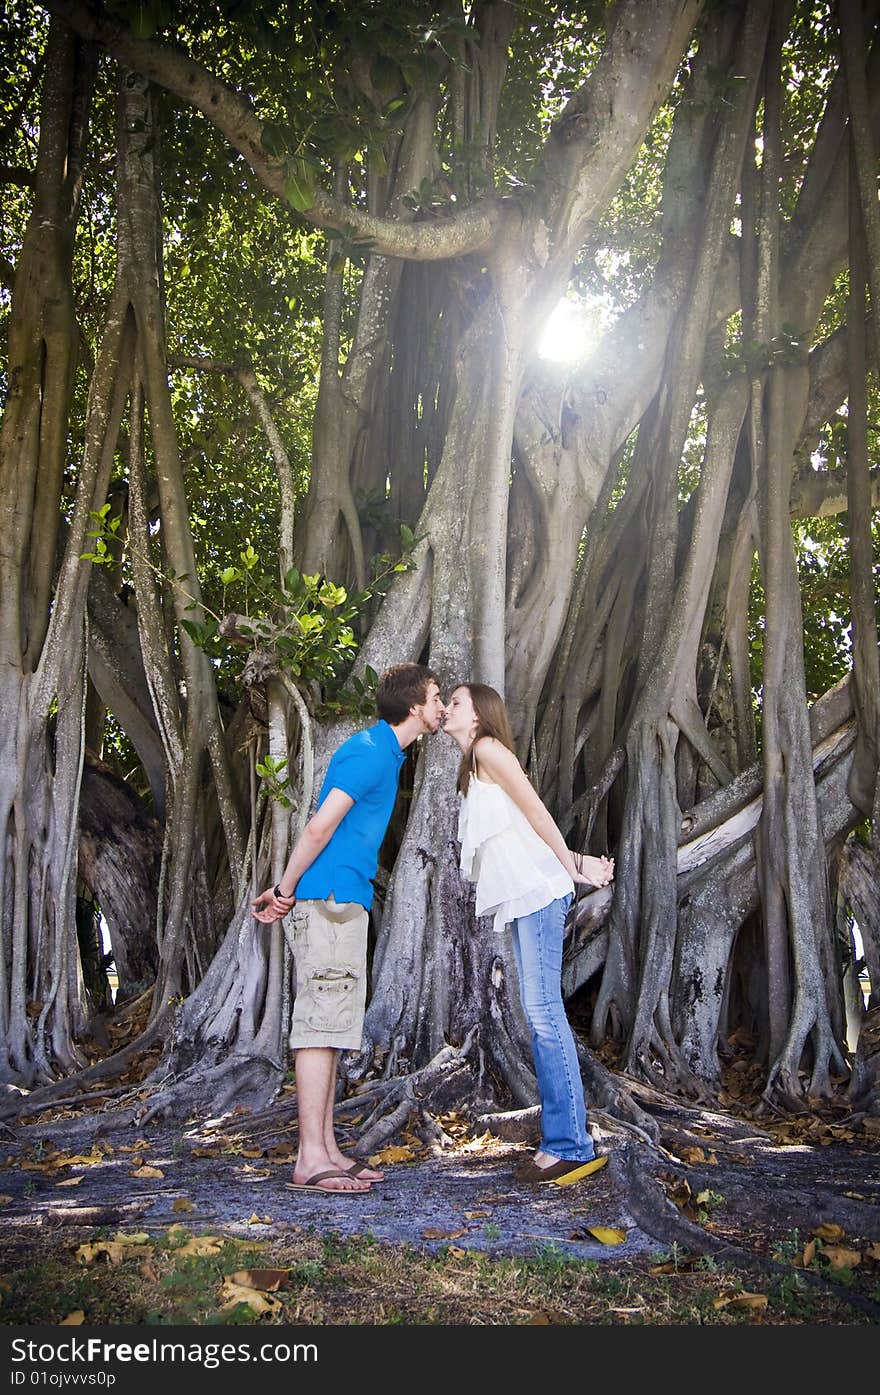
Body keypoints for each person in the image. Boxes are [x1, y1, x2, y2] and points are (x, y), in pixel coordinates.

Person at [253, 662, 445, 1194]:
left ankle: (328, 1147)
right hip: (329, 899)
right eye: (435, 697)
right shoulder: (367, 752)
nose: (441, 706)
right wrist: (286, 891)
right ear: (414, 706)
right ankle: (309, 1158)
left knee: (333, 1025)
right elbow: (320, 825)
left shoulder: (386, 753)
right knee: (319, 1027)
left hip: (343, 899)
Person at [443, 682, 614, 1184]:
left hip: (540, 893)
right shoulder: (471, 763)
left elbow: (535, 808)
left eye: (456, 702)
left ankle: (571, 1145)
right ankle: (562, 1139)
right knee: (539, 1014)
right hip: (527, 899)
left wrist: (574, 865)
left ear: (478, 715)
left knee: (544, 1014)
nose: (447, 709)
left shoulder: (489, 750)